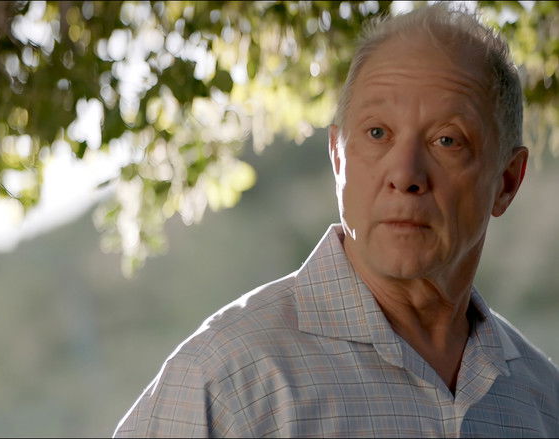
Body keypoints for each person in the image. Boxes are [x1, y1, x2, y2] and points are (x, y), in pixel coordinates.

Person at [113, 4, 559, 438]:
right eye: (377, 133)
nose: (405, 174)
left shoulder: (546, 401)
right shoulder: (226, 380)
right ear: (337, 157)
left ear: (507, 181)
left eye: (447, 140)